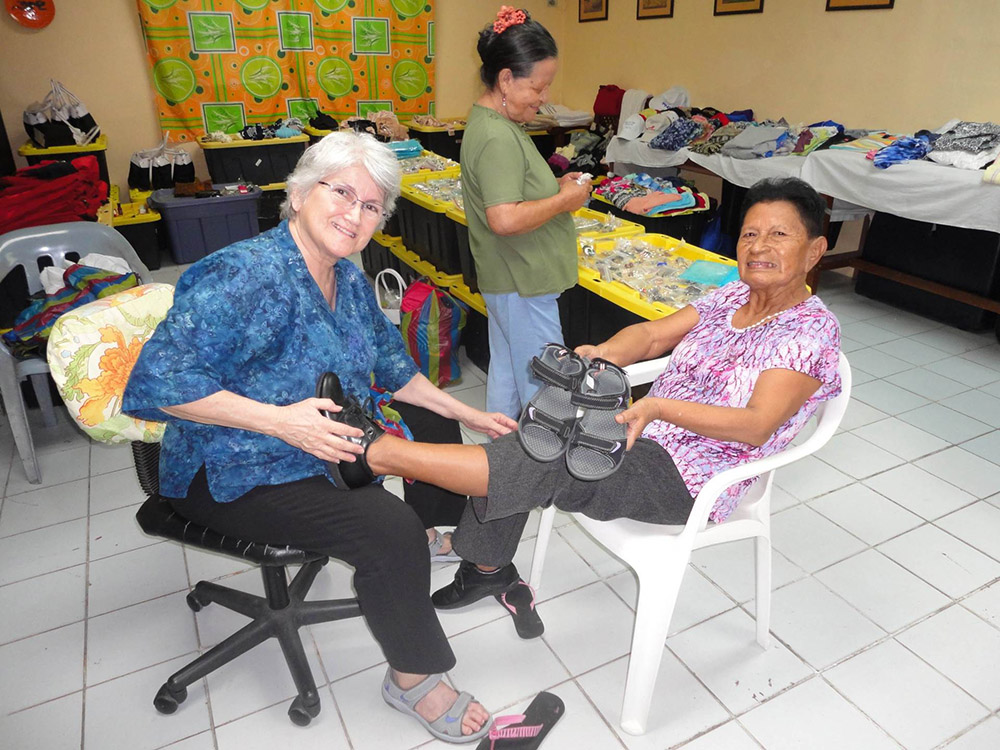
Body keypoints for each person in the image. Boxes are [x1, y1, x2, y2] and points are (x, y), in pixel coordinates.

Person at [122, 131, 518, 744]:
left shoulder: (348, 279)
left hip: (321, 441)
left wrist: (465, 413)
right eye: (343, 194)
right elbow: (154, 384)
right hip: (229, 465)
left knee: (436, 422)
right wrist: (281, 421)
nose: (355, 216)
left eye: (371, 207)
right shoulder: (241, 275)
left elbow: (391, 368)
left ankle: (433, 535)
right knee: (386, 533)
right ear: (302, 192)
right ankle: (412, 678)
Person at [320, 177, 842, 606]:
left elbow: (757, 424)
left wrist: (657, 406)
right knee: (539, 429)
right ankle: (484, 564)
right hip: (645, 432)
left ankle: (380, 455)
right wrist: (605, 353)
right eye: (750, 235)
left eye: (779, 235)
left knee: (545, 458)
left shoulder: (808, 333)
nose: (759, 248)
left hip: (695, 476)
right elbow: (656, 333)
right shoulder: (733, 293)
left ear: (815, 250)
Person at [461, 6, 592, 419]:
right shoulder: (498, 136)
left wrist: (553, 187)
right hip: (523, 280)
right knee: (547, 392)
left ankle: (499, 470)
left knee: (508, 376)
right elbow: (504, 218)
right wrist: (563, 200)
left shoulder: (491, 124)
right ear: (505, 79)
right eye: (538, 87)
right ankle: (540, 475)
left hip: (510, 279)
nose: (544, 97)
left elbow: (512, 195)